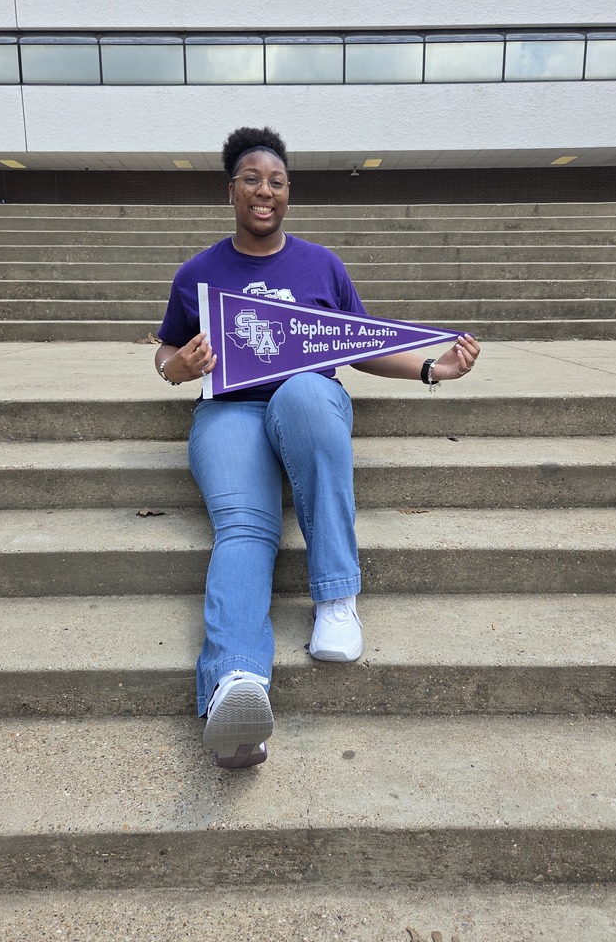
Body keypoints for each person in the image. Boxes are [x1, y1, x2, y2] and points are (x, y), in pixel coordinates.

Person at [155, 126, 481, 770]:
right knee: (245, 530)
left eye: (276, 181)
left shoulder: (321, 266)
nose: (265, 191)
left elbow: (359, 347)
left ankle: (336, 599)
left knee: (304, 392)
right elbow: (165, 354)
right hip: (229, 413)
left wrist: (429, 369)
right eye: (252, 179)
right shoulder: (198, 273)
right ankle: (235, 689)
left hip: (308, 407)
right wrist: (182, 366)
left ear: (287, 192)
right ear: (232, 190)